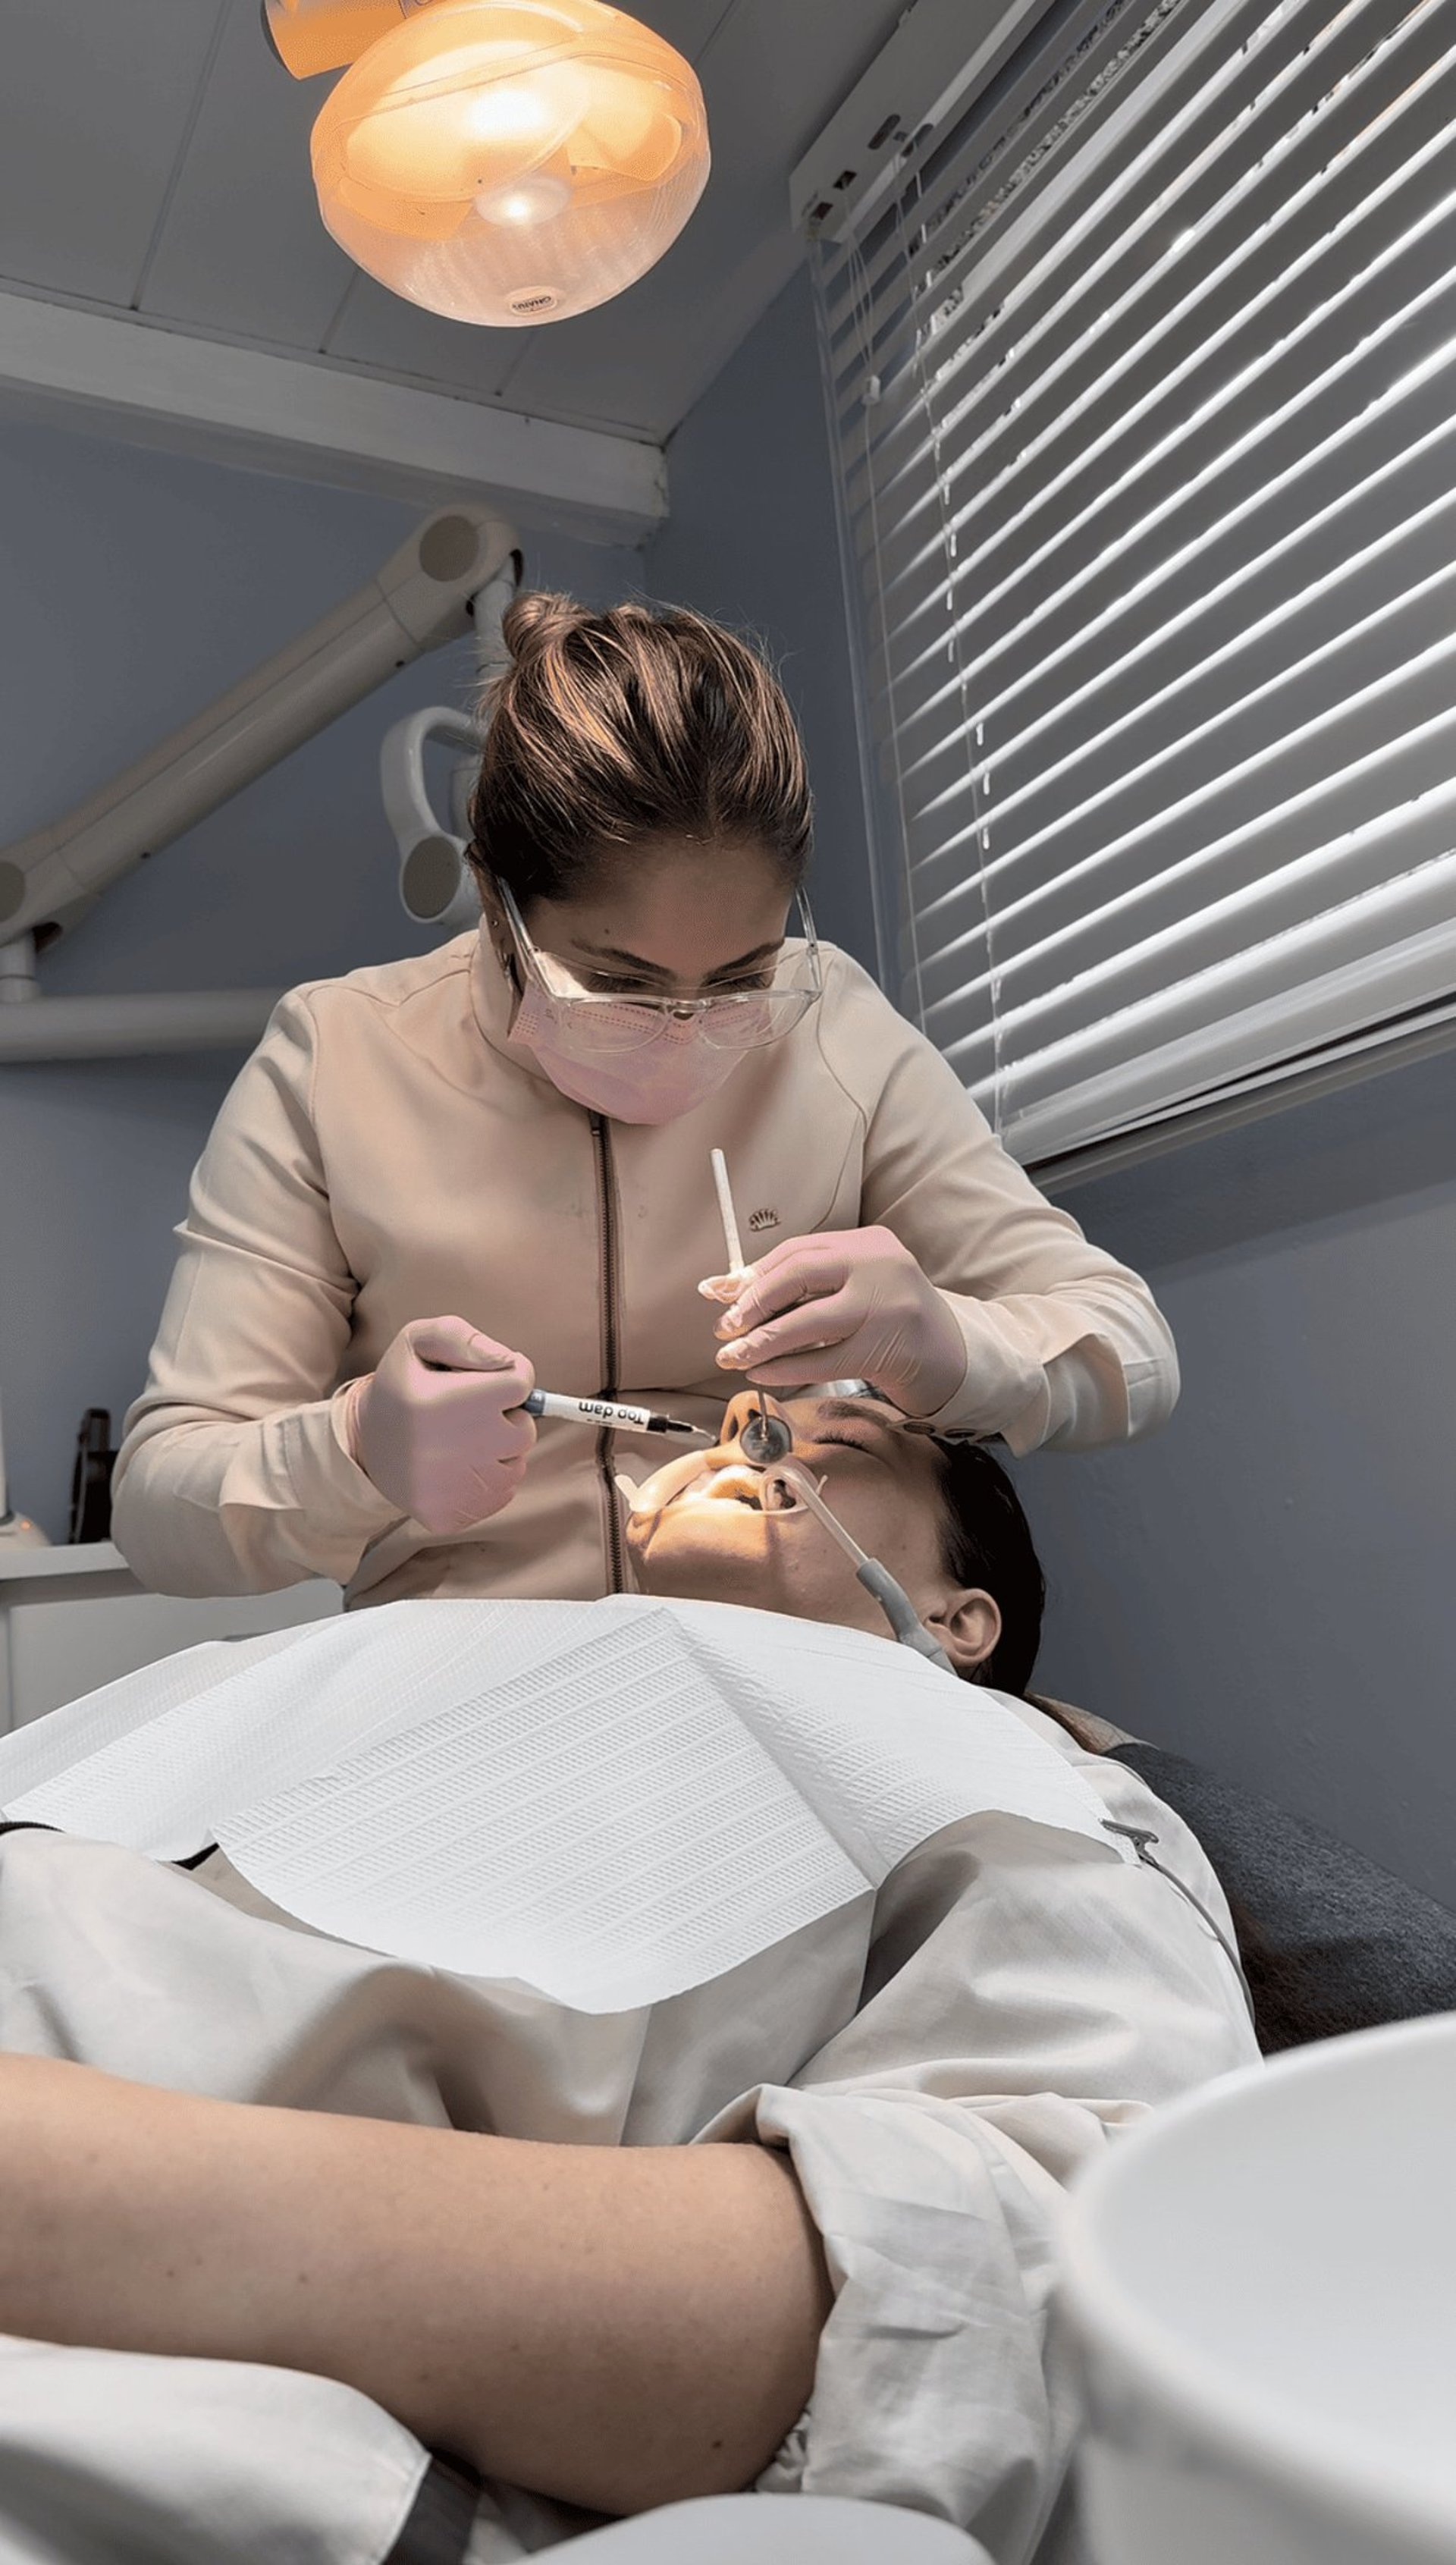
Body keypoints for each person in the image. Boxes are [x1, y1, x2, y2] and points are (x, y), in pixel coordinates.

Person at [0, 1389, 1254, 2565]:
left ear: (955, 1618)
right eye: (739, 1427)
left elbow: (1028, 2282)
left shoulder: (1024, 1778)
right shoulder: (433, 1652)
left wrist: (68, 2184)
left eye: (841, 1448)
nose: (751, 1431)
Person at [111, 595, 1178, 1612]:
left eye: (740, 978)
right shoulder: (333, 1059)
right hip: (463, 1688)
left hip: (780, 1661)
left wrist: (946, 1346)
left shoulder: (834, 1025)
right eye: (617, 984)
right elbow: (159, 1499)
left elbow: (1130, 1346)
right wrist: (353, 1451)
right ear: (497, 899)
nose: (682, 1031)